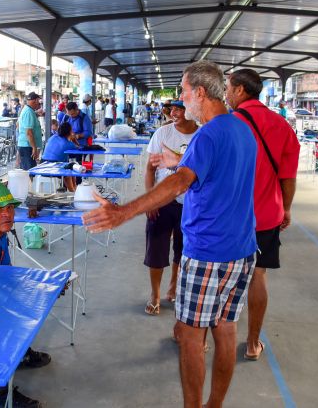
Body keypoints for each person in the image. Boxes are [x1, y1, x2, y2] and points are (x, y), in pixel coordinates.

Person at [83, 60, 257, 408]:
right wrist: (175, 160)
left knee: (191, 339)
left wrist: (123, 212)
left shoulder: (207, 134)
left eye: (183, 91)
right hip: (242, 250)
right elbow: (211, 172)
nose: (181, 98)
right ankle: (214, 404)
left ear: (200, 93)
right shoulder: (241, 130)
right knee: (226, 330)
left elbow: (180, 182)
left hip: (208, 253)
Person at [225, 69, 300, 362]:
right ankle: (253, 343)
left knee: (219, 275)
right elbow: (288, 177)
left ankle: (204, 339)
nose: (227, 94)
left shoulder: (227, 124)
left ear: (242, 90)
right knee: (258, 275)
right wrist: (287, 208)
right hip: (266, 216)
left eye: (229, 88)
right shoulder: (281, 125)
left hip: (229, 216)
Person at [0, 181, 51, 408]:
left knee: (23, 304)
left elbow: (6, 277)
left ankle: (21, 354)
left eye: (9, 208)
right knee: (6, 318)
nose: (7, 213)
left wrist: (38, 289)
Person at [142, 100, 197, 316]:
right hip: (163, 200)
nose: (174, 112)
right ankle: (155, 295)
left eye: (180, 108)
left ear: (191, 110)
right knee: (156, 249)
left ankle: (174, 287)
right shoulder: (162, 134)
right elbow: (149, 169)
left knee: (184, 251)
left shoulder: (202, 136)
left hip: (192, 204)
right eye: (172, 109)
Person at [41, 121, 79, 191]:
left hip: (43, 163)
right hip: (54, 166)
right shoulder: (68, 143)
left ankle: (72, 189)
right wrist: (74, 139)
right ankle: (72, 191)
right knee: (71, 169)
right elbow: (78, 149)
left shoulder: (53, 137)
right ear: (69, 132)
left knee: (69, 166)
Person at [17, 92, 43, 170]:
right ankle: (28, 183)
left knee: (29, 171)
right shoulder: (28, 112)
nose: (39, 103)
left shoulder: (29, 110)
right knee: (29, 172)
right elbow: (29, 132)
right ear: (34, 101)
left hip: (27, 146)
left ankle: (29, 182)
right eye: (38, 101)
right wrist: (34, 147)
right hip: (27, 146)